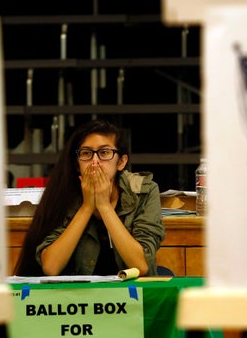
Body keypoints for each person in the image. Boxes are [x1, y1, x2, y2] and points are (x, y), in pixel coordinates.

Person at [14, 119, 165, 277]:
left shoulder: (144, 190)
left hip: (130, 294)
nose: (95, 162)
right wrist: (87, 207)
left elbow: (141, 266)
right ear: (77, 164)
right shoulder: (62, 193)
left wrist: (104, 206)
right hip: (76, 297)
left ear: (121, 162)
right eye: (86, 153)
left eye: (104, 153)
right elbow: (51, 267)